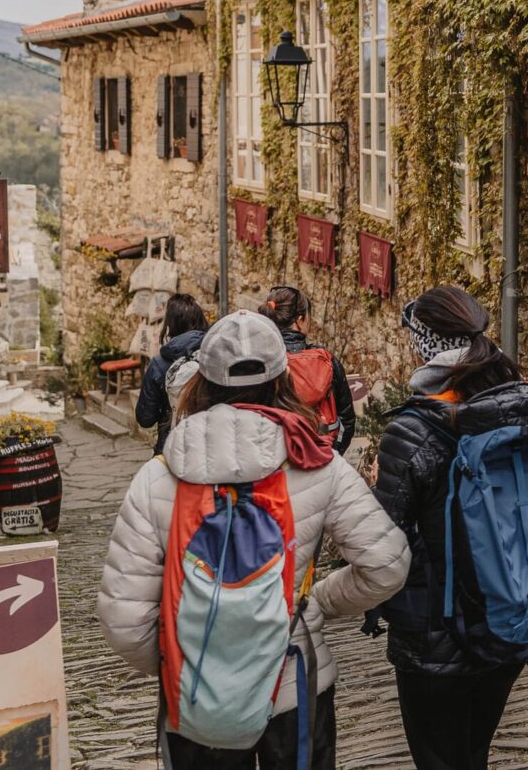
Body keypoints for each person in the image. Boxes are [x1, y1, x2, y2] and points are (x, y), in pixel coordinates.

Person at [97, 309, 409, 770]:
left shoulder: (156, 478)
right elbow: (386, 564)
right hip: (294, 687)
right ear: (285, 379)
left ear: (201, 381)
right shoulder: (319, 465)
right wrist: (318, 602)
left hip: (198, 700)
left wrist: (185, 660)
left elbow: (123, 618)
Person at [372, 287, 528, 770]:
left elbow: (381, 542)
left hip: (435, 632)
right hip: (510, 615)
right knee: (473, 753)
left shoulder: (414, 431)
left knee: (440, 759)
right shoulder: (523, 408)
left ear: (424, 346)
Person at [260, 286, 357, 454]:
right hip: (322, 453)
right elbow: (347, 419)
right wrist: (334, 453)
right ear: (299, 320)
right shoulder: (328, 361)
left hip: (275, 458)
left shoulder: (261, 360)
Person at [135, 293, 207, 454]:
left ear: (170, 325)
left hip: (171, 446)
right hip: (211, 446)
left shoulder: (159, 364)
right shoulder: (215, 354)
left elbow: (145, 418)